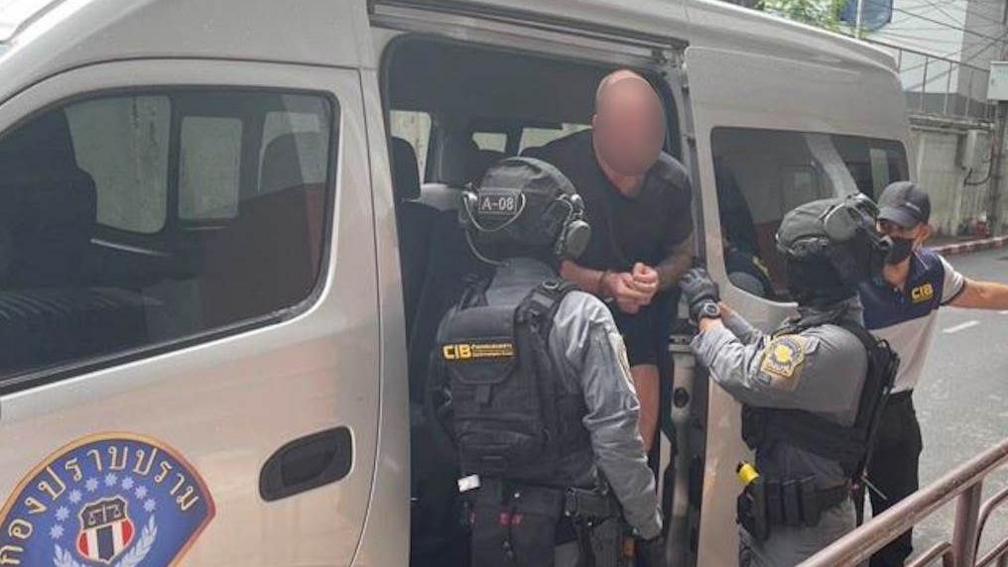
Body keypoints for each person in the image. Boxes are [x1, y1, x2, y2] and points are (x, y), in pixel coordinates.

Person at [428, 157, 665, 567]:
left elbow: (443, 419)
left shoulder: (456, 316)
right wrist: (648, 527)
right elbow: (617, 440)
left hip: (485, 527)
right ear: (569, 235)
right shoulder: (582, 315)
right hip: (569, 536)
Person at [680, 195, 898, 566]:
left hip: (806, 534)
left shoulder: (831, 347)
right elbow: (765, 349)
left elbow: (744, 372)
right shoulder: (825, 327)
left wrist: (704, 312)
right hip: (782, 518)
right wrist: (721, 311)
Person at [525, 69, 694, 451]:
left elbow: (684, 253)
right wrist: (604, 282)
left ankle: (632, 479)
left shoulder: (672, 181)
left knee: (641, 350)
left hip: (632, 319)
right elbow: (530, 262)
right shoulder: (553, 172)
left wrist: (656, 278)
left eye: (648, 131)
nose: (638, 142)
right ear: (597, 126)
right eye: (626, 130)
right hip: (553, 308)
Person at [858, 181, 1008, 567]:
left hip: (897, 412)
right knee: (842, 520)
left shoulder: (932, 273)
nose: (891, 237)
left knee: (898, 516)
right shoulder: (853, 275)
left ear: (923, 232)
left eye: (902, 230)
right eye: (885, 227)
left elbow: (981, 294)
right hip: (848, 414)